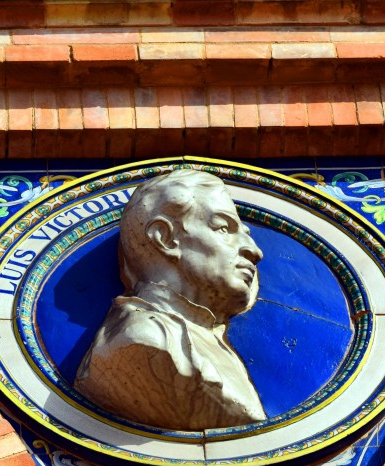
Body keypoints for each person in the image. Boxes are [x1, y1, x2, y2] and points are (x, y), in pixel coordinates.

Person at [74, 169, 266, 431]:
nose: (255, 251)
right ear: (166, 238)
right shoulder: (143, 339)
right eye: (223, 228)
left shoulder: (206, 334)